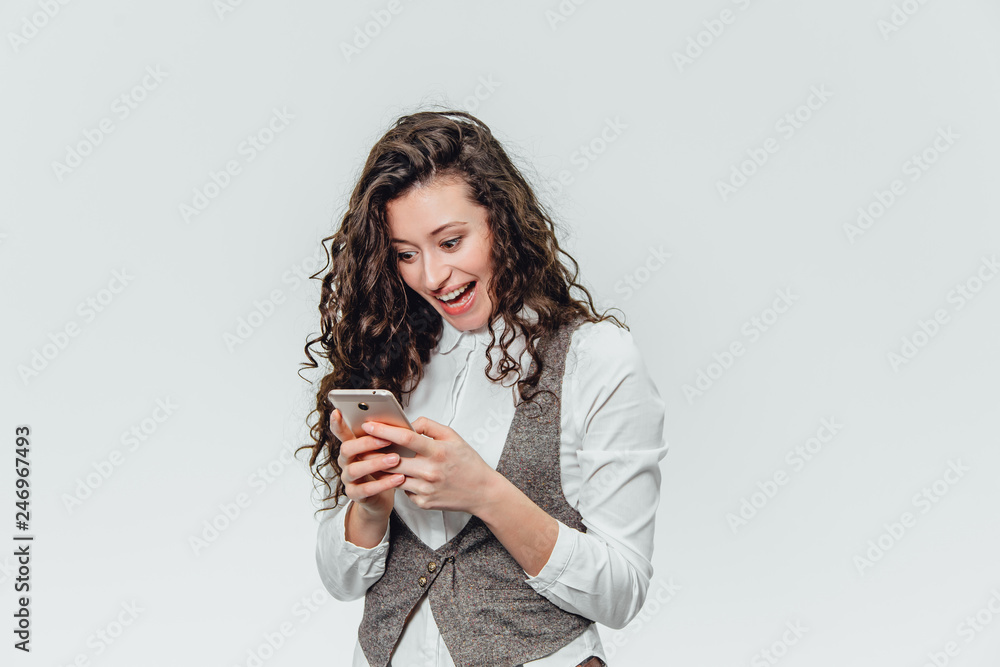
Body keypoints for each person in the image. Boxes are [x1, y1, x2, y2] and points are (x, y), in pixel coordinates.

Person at [299, 109, 668, 667]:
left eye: (450, 242)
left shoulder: (596, 359)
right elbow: (341, 582)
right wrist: (368, 510)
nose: (431, 276)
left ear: (501, 220)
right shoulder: (391, 355)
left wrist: (486, 494)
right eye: (405, 253)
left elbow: (622, 593)